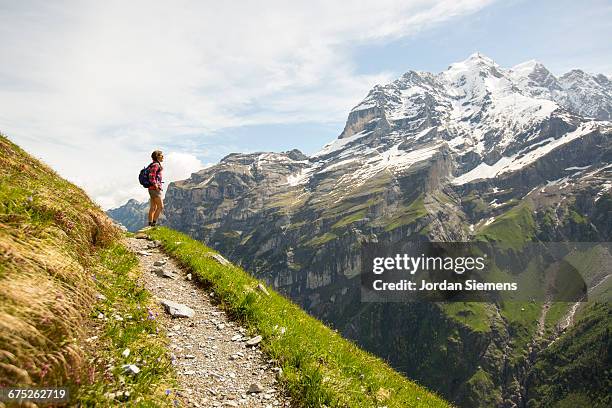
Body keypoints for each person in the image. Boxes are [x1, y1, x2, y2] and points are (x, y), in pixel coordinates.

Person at [147, 150, 164, 227]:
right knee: (160, 207)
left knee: (153, 207)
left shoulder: (153, 164)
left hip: (151, 188)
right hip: (154, 189)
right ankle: (153, 224)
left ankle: (150, 224)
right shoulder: (156, 165)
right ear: (157, 156)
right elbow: (151, 176)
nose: (163, 156)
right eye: (161, 155)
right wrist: (156, 186)